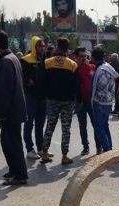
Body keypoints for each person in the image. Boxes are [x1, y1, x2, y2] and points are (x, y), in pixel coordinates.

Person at [0, 30, 28, 186]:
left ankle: (20, 175)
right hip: (15, 108)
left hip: (10, 111)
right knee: (8, 142)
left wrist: (1, 114)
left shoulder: (5, 61)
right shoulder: (12, 58)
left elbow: (4, 91)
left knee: (12, 143)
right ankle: (14, 170)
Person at [40, 37, 79, 165]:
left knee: (50, 126)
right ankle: (64, 156)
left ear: (57, 46)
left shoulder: (47, 62)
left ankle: (44, 153)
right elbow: (76, 85)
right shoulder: (72, 64)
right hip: (67, 101)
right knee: (66, 128)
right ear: (67, 48)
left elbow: (43, 82)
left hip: (52, 100)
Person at [20, 36, 46, 160]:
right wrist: (27, 81)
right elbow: (20, 76)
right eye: (39, 46)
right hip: (30, 97)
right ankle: (29, 149)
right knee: (29, 124)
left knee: (40, 124)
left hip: (42, 97)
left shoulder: (45, 60)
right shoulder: (25, 60)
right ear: (34, 47)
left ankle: (40, 149)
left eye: (43, 45)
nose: (42, 48)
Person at [90, 46, 119, 154]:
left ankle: (107, 149)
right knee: (104, 126)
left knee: (98, 127)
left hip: (100, 103)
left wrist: (96, 100)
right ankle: (109, 148)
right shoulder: (106, 67)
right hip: (107, 102)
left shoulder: (102, 70)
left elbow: (102, 88)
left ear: (93, 57)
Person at [73, 47, 97, 155]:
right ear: (76, 57)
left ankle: (99, 146)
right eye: (81, 56)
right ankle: (85, 146)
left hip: (91, 101)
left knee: (96, 124)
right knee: (82, 125)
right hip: (80, 101)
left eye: (85, 56)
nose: (83, 58)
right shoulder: (73, 68)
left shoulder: (91, 67)